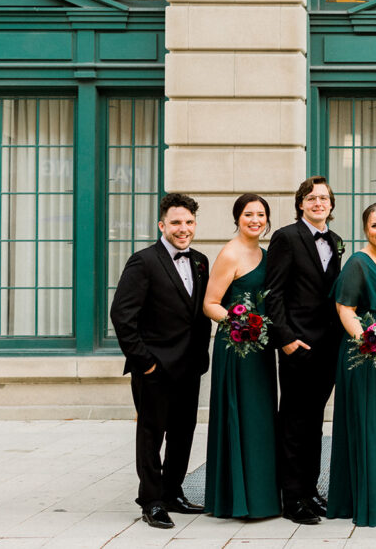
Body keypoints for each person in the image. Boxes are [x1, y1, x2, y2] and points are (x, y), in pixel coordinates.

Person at [111, 193, 210, 529]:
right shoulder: (144, 261)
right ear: (162, 225)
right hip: (154, 367)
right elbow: (122, 316)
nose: (183, 229)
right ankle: (152, 501)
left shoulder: (200, 260)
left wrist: (201, 356)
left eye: (189, 223)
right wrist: (145, 362)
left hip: (189, 365)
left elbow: (197, 314)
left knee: (183, 433)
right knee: (151, 435)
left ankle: (173, 492)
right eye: (176, 223)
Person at [264, 176, 345, 525]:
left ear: (330, 204)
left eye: (324, 198)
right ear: (300, 204)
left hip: (329, 346)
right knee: (295, 422)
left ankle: (310, 491)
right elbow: (274, 293)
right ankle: (292, 498)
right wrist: (285, 339)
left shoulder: (337, 241)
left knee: (315, 422)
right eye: (311, 198)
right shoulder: (286, 237)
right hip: (298, 345)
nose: (318, 203)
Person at [327, 203, 376, 527]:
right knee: (369, 423)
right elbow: (345, 309)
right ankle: (367, 501)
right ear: (365, 229)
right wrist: (370, 341)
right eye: (375, 226)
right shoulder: (357, 263)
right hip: (367, 355)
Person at [201, 194, 280, 519]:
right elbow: (210, 303)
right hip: (236, 346)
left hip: (260, 349)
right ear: (237, 218)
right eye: (249, 214)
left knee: (261, 419)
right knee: (241, 416)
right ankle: (238, 499)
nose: (255, 220)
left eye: (261, 215)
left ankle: (262, 497)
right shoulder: (229, 253)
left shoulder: (265, 253)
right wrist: (240, 323)